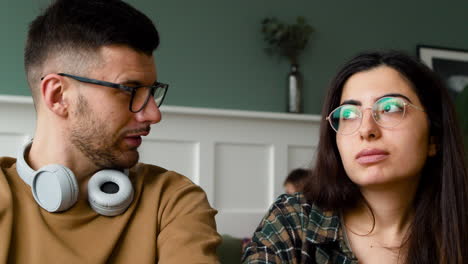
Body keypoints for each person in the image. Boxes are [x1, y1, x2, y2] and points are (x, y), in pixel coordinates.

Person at [0, 0, 221, 263]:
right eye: (128, 89)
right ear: (58, 96)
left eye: (151, 93)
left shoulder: (173, 200)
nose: (153, 114)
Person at [242, 50, 468, 263]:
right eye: (348, 114)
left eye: (390, 108)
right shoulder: (294, 222)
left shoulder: (458, 232)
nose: (366, 129)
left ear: (434, 138)